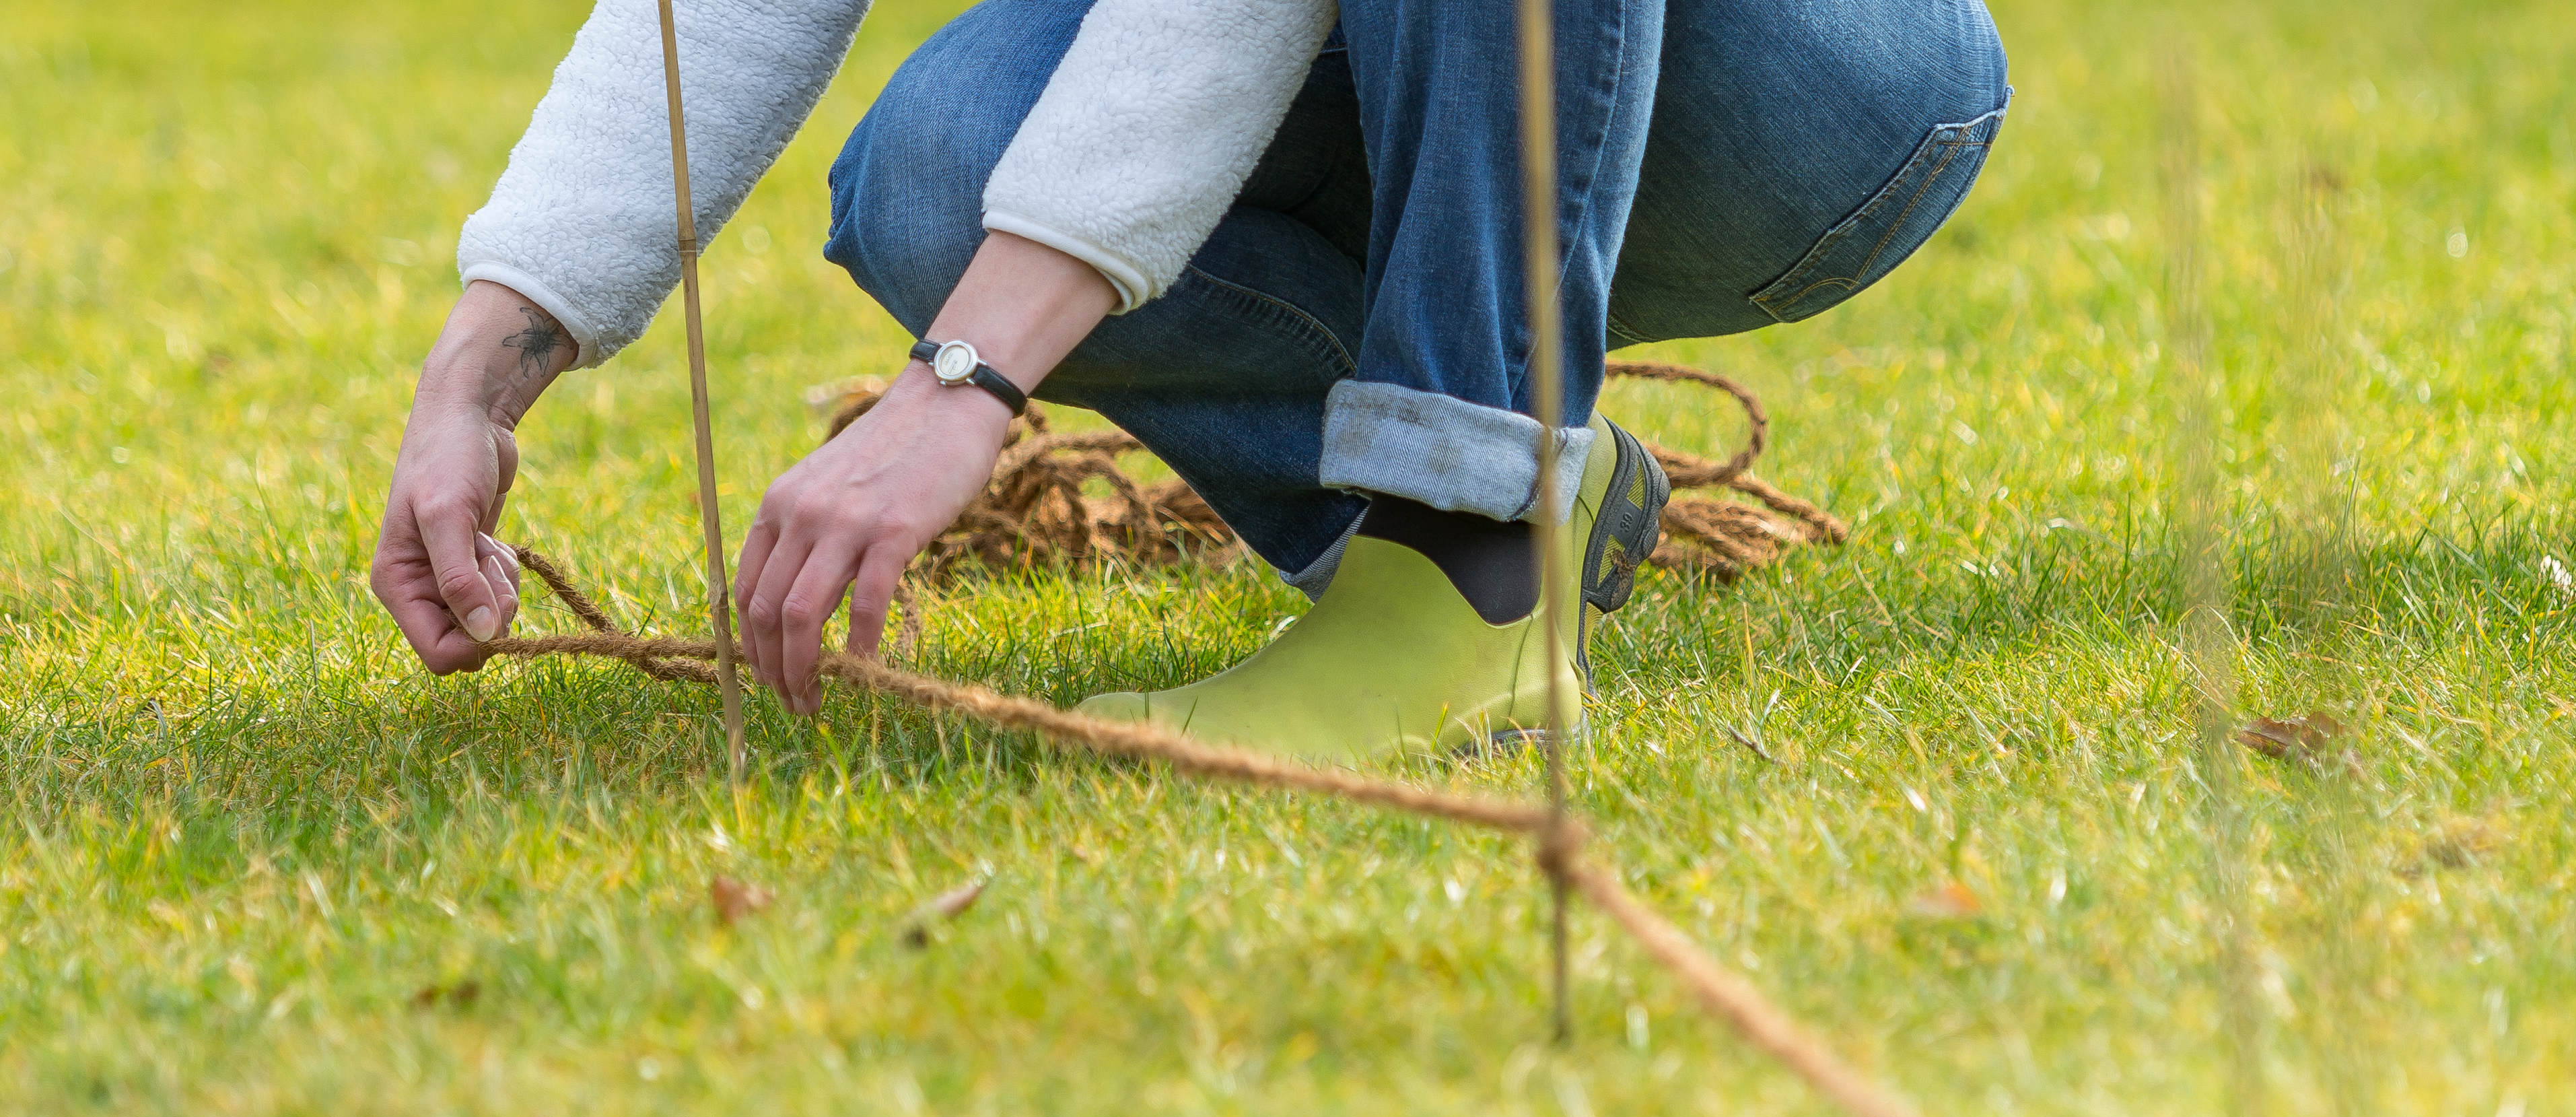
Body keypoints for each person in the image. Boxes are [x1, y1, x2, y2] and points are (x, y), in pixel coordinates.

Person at [373, 0, 2007, 765]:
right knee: (940, 181)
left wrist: (964, 377)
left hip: (1803, 96)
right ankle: (1540, 484)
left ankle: (1467, 560)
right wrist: (483, 370)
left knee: (994, 266)